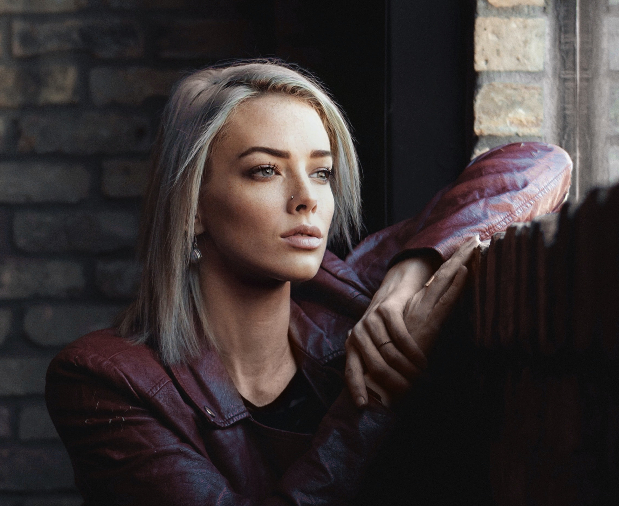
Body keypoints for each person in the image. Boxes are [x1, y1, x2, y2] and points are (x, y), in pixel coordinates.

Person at [46, 60, 572, 505]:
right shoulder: (105, 380)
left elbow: (540, 165)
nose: (307, 199)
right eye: (265, 171)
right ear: (191, 209)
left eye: (321, 172)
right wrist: (373, 403)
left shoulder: (351, 296)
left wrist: (404, 281)